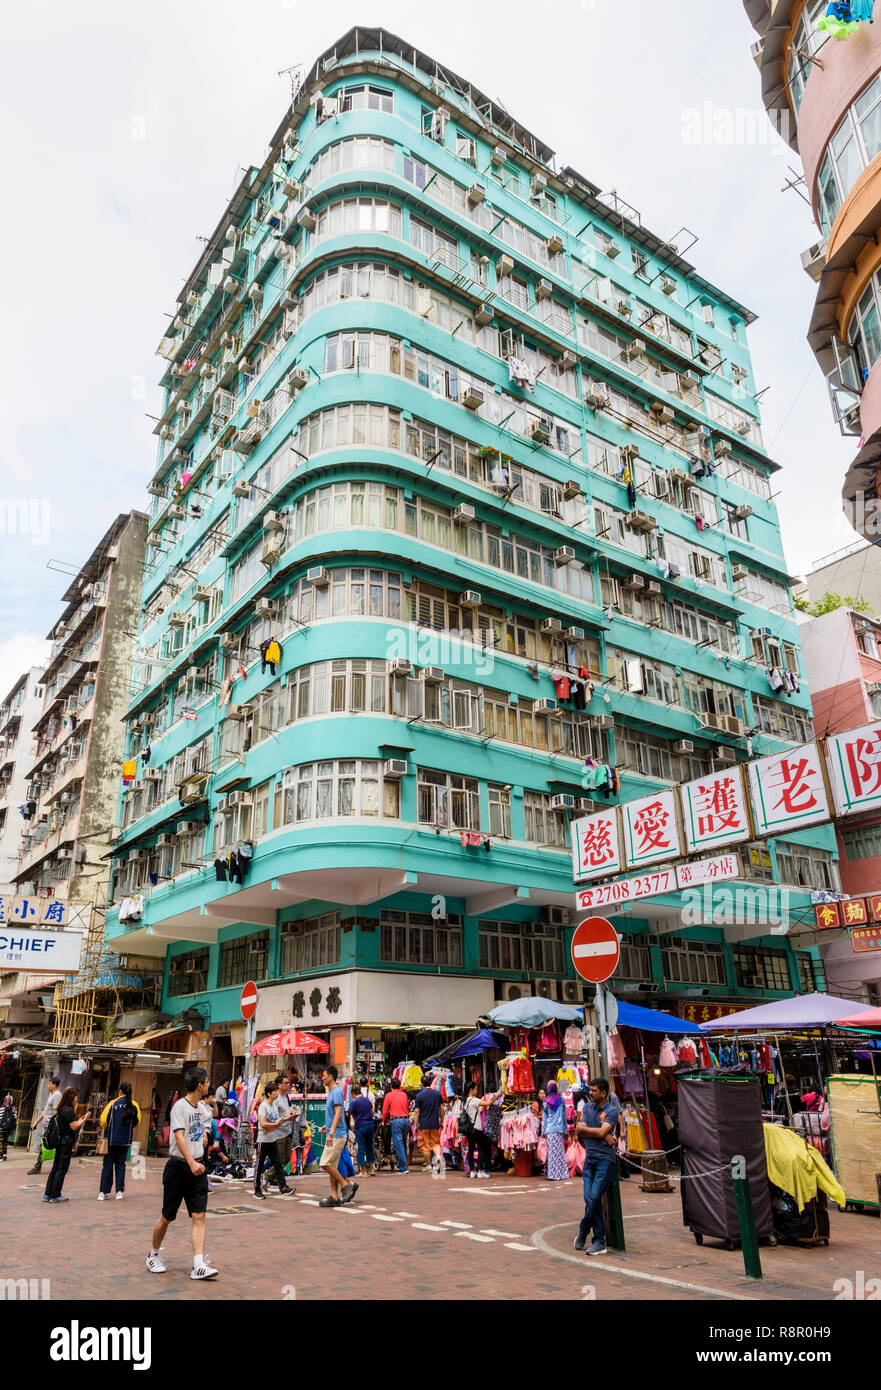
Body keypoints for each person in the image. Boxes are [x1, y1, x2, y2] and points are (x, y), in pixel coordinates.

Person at [146, 1067, 218, 1279]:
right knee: (168, 1216)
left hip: (198, 1166)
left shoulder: (200, 1108)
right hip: (179, 1167)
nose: (208, 1086)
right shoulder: (180, 1106)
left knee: (199, 1215)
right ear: (199, 1086)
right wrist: (191, 1162)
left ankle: (198, 1264)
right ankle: (153, 1254)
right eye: (206, 1083)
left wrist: (204, 1134)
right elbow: (179, 1137)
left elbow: (206, 1123)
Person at [574, 1078, 621, 1256]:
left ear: (603, 1093)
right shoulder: (586, 1107)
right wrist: (601, 1134)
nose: (590, 1093)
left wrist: (598, 1132)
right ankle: (598, 1240)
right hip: (590, 1159)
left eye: (594, 1090)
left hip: (604, 1161)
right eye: (590, 1090)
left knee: (594, 1197)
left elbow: (597, 1131)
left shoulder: (612, 1111)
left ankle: (586, 1232)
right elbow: (580, 1129)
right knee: (590, 1198)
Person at [42, 1087, 89, 1203]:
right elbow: (73, 1126)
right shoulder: (68, 1110)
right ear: (71, 1097)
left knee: (56, 1167)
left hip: (60, 1142)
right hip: (65, 1143)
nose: (77, 1100)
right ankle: (55, 1195)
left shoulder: (61, 1109)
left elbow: (70, 1124)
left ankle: (48, 1194)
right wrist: (84, 1119)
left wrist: (79, 1119)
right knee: (62, 1168)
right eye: (76, 1097)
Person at [318, 1065, 356, 1207]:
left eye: (324, 1075)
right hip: (333, 1132)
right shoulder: (333, 1092)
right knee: (331, 1165)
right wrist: (327, 1127)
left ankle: (346, 1185)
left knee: (325, 1163)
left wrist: (332, 1132)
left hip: (337, 1135)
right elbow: (334, 1115)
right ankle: (334, 1196)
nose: (322, 1078)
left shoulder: (337, 1092)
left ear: (331, 1077)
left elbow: (339, 1113)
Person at [97, 1082, 141, 1200]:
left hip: (112, 1139)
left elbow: (104, 1121)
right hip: (126, 1140)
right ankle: (119, 1192)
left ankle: (103, 1192)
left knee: (107, 1165)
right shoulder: (134, 1105)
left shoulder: (113, 1103)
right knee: (121, 1165)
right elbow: (137, 1122)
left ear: (120, 1091)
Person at [253, 1080, 295, 1199]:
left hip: (273, 1140)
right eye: (274, 1091)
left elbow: (276, 1121)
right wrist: (274, 1125)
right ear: (268, 1093)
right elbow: (263, 1124)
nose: (277, 1093)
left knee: (278, 1164)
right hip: (263, 1141)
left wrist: (288, 1118)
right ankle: (257, 1190)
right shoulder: (263, 1106)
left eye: (277, 1091)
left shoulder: (273, 1106)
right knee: (259, 1165)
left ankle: (283, 1187)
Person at [28, 1075, 61, 1175]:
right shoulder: (51, 1094)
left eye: (49, 1083)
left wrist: (53, 1127)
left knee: (49, 1146)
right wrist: (35, 1123)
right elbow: (45, 1111)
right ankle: (42, 1166)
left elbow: (56, 1112)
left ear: (54, 1085)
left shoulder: (57, 1095)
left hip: (50, 1127)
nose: (47, 1085)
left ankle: (39, 1167)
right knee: (45, 1146)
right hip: (46, 1125)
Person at [414, 1077, 445, 1175]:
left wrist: (415, 1124)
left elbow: (416, 1111)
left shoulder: (419, 1096)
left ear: (422, 1084)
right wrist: (442, 1121)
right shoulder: (437, 1094)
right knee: (435, 1143)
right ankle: (438, 1157)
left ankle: (428, 1166)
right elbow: (442, 1109)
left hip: (424, 1124)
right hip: (435, 1123)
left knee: (425, 1146)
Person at [381, 1077, 411, 1175]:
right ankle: (401, 1166)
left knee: (398, 1144)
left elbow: (385, 1111)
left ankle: (403, 1167)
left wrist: (383, 1121)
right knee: (403, 1143)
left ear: (391, 1086)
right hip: (406, 1120)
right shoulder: (404, 1095)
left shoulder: (389, 1095)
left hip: (397, 1120)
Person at [541, 1082, 569, 1181]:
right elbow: (564, 1115)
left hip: (550, 1130)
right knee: (560, 1152)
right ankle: (562, 1174)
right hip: (559, 1129)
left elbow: (544, 1118)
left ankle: (553, 1175)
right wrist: (565, 1129)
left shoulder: (545, 1101)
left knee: (552, 1153)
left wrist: (543, 1132)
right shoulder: (561, 1100)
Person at [462, 1081, 491, 1178]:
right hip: (477, 1128)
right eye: (476, 1089)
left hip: (469, 1129)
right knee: (481, 1149)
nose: (477, 1091)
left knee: (470, 1149)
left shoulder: (465, 1101)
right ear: (471, 1090)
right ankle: (480, 1171)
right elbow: (488, 1103)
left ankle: (472, 1171)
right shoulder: (474, 1100)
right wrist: (497, 1096)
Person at [348, 1082, 375, 1176]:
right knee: (370, 1147)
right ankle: (372, 1169)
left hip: (361, 1126)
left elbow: (348, 1113)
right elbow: (372, 1110)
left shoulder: (354, 1103)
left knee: (361, 1148)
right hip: (370, 1125)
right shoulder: (367, 1100)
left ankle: (363, 1172)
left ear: (353, 1093)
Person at [273, 1074, 294, 1181]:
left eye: (288, 1083)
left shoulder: (286, 1096)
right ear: (279, 1085)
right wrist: (288, 1118)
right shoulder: (275, 1098)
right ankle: (268, 1176)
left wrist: (293, 1112)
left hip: (287, 1131)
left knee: (287, 1158)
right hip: (278, 1132)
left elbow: (288, 1109)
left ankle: (274, 1178)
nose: (288, 1085)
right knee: (280, 1159)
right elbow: (274, 1117)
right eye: (285, 1083)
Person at [0, 1094, 17, 1160]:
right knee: (5, 1141)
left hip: (1, 1128)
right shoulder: (14, 1109)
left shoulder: (1, 1108)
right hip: (8, 1128)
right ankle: (4, 1154)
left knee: (0, 1142)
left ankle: (0, 1156)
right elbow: (15, 1118)